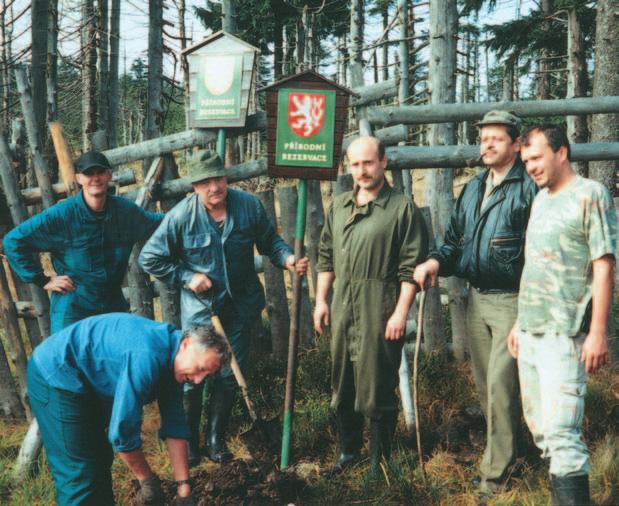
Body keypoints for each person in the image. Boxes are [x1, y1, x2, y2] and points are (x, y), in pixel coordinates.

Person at [139, 149, 308, 466]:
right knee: (193, 379)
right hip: (202, 313)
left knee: (231, 374)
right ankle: (190, 443)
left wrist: (287, 259)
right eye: (205, 182)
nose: (213, 187)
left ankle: (216, 440)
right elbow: (149, 258)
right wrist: (188, 276)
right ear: (194, 186)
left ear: (225, 178)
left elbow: (270, 241)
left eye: (218, 178)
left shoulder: (248, 206)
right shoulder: (180, 217)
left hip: (240, 308)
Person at [413, 110, 537, 495]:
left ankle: (495, 477)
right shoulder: (472, 188)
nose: (486, 145)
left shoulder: (529, 186)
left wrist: (531, 305)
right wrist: (435, 260)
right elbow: (453, 242)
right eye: (483, 139)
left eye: (495, 139)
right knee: (486, 388)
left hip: (514, 301)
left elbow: (538, 250)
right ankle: (516, 455)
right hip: (478, 300)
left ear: (516, 144)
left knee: (501, 385)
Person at [508, 126, 616, 505]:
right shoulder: (540, 200)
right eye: (525, 161)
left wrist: (598, 332)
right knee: (542, 433)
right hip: (532, 333)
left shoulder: (590, 195)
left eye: (536, 158)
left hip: (566, 334)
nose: (531, 167)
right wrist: (519, 322)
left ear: (562, 152)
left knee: (562, 433)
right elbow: (534, 265)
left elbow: (603, 265)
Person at [26, 312, 231, 505]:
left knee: (99, 458)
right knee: (79, 470)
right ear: (186, 344)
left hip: (85, 381)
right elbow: (122, 433)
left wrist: (183, 488)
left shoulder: (174, 362)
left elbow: (175, 425)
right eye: (201, 368)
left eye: (206, 376)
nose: (197, 380)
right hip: (56, 373)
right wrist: (147, 479)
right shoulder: (147, 355)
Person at [313, 136, 428, 476]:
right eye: (355, 164)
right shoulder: (339, 205)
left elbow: (411, 266)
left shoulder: (401, 208)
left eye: (368, 163)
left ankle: (381, 461)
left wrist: (400, 312)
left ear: (383, 163)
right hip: (342, 306)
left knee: (377, 385)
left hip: (380, 305)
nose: (361, 171)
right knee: (343, 384)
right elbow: (325, 257)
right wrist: (321, 301)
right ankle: (349, 454)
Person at [3, 151, 163, 333]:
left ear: (109, 175)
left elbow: (159, 223)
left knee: (111, 357)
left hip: (112, 305)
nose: (95, 178)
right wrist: (42, 279)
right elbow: (13, 241)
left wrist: (193, 210)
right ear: (79, 178)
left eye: (100, 172)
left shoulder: (124, 212)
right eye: (89, 173)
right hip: (74, 307)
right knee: (68, 358)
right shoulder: (62, 215)